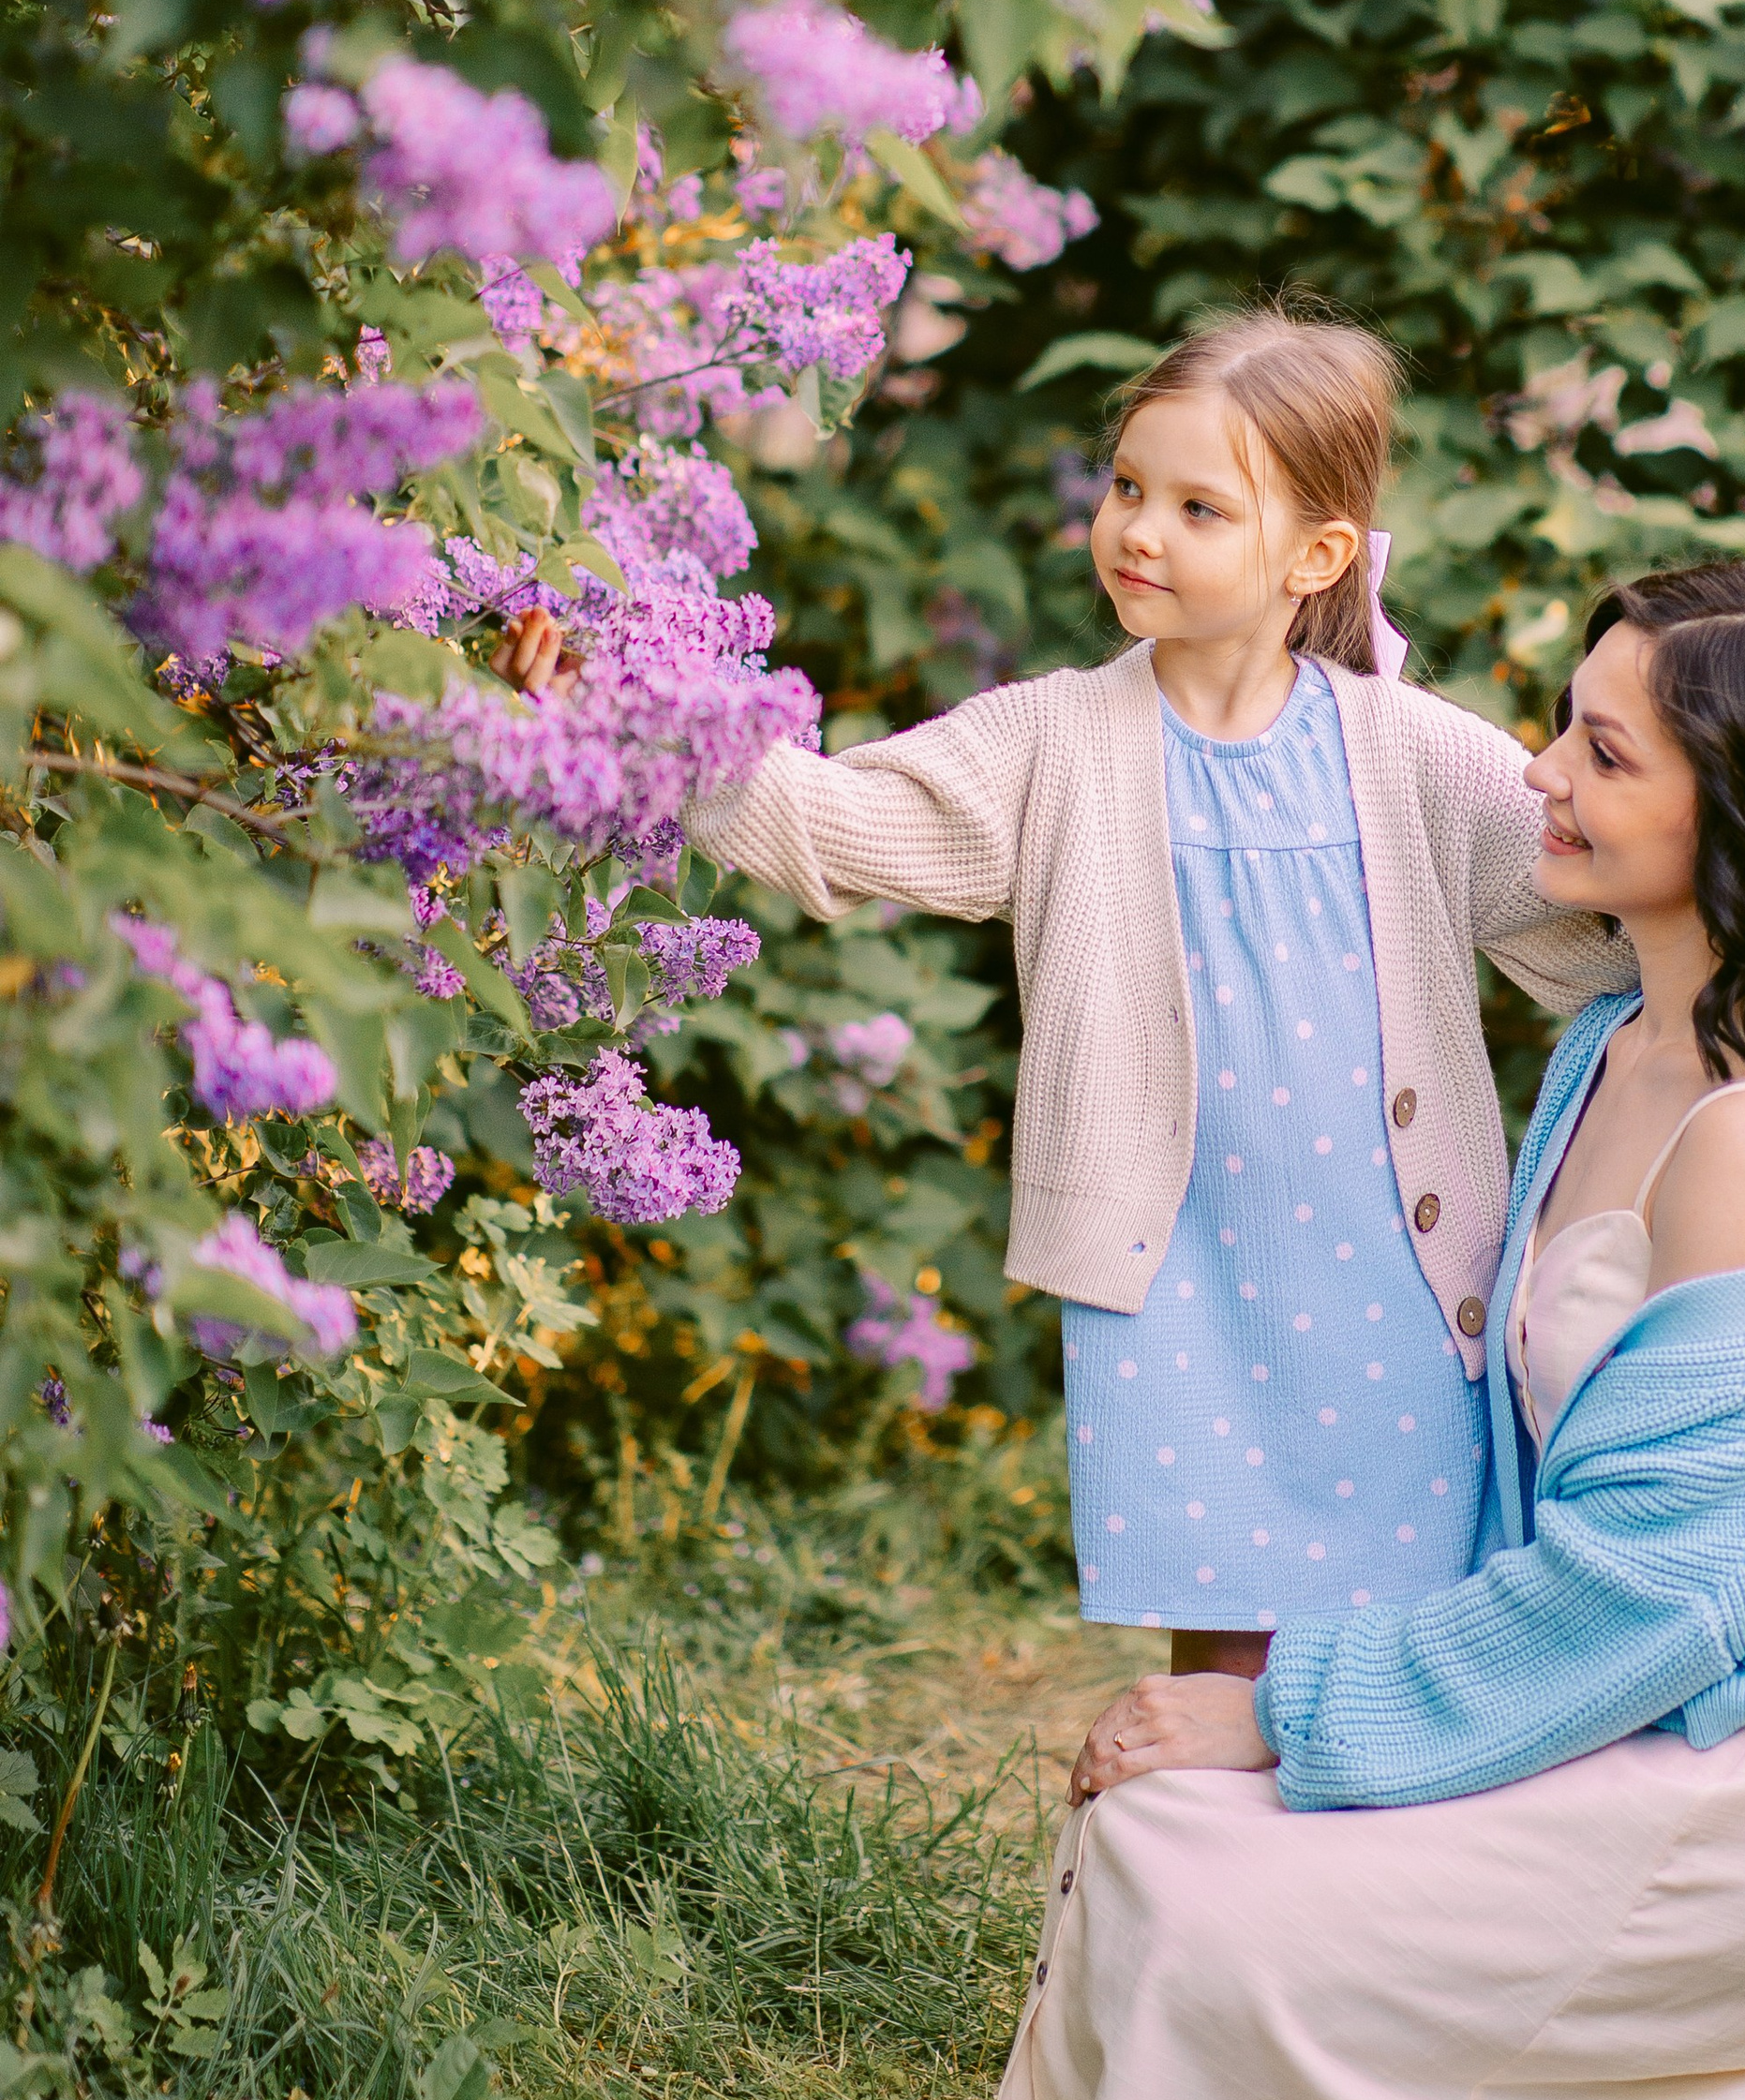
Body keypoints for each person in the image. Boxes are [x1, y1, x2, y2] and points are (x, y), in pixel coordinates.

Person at [996, 559, 1745, 2100]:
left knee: (1234, 1921)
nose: (1540, 770)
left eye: (1605, 754)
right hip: (1642, 1694)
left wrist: (1295, 1707)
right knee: (1161, 1838)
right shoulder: (1622, 1029)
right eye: (1563, 720)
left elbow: (1654, 1588)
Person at [500, 299, 1635, 1666]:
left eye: (1200, 509)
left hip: (1399, 1269)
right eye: (1126, 488)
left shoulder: (1415, 754)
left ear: (1316, 555)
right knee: (1224, 1663)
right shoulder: (1051, 741)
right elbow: (835, 823)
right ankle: (1203, 1882)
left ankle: (1377, 1870)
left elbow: (1595, 909)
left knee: (1409, 1632)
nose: (1140, 531)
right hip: (1175, 1275)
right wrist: (617, 716)